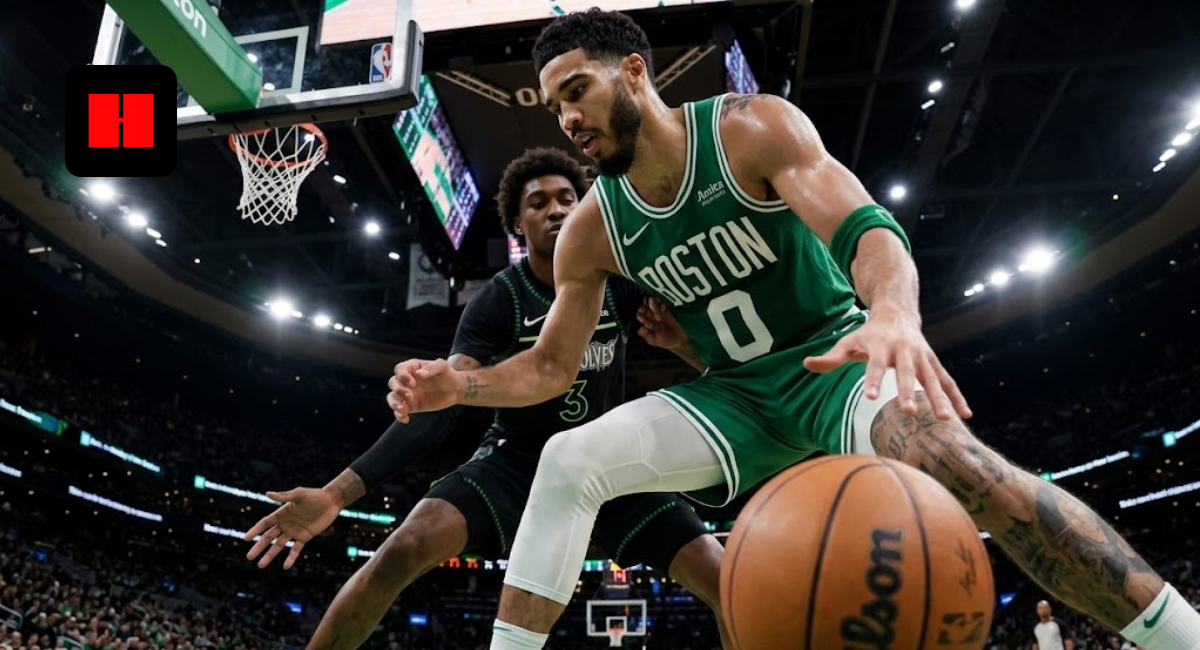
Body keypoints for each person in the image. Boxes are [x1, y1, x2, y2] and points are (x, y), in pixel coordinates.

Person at [386, 8, 1200, 650]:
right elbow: (550, 369)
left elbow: (869, 233)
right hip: (735, 398)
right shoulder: (592, 228)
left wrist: (891, 314)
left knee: (971, 472)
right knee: (569, 456)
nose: (565, 118)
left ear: (634, 71)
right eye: (555, 104)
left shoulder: (750, 128)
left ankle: (1182, 636)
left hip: (830, 367)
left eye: (577, 91)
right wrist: (461, 383)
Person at [244, 147, 729, 650]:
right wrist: (336, 495)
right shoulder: (500, 300)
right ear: (517, 223)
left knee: (725, 578)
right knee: (401, 549)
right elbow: (444, 403)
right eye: (538, 203)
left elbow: (716, 363)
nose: (556, 209)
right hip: (515, 464)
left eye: (567, 198)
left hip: (610, 464)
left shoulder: (620, 282)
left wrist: (680, 342)